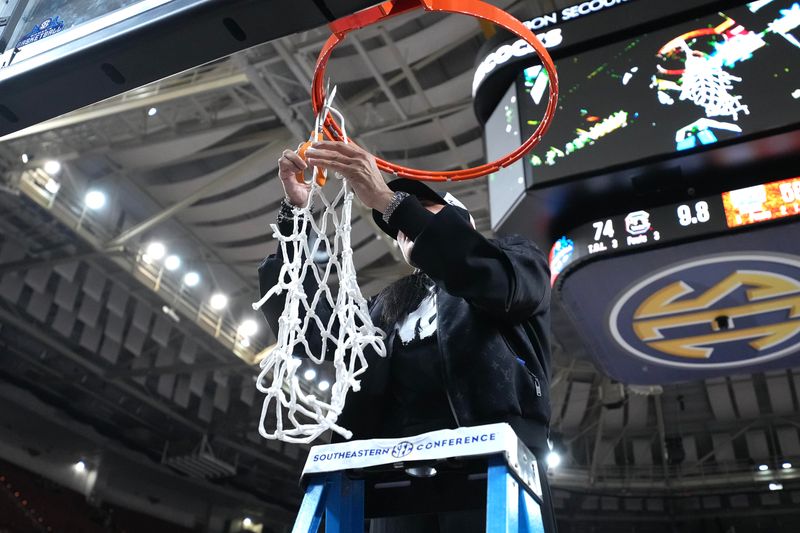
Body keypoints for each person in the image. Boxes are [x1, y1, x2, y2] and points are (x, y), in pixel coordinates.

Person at [258, 140, 557, 533]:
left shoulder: (513, 261)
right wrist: (295, 215)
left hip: (489, 463)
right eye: (397, 227)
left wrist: (388, 199)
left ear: (461, 221)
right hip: (392, 473)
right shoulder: (386, 304)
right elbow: (308, 328)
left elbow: (482, 274)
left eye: (422, 211)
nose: (401, 227)